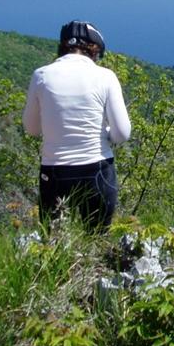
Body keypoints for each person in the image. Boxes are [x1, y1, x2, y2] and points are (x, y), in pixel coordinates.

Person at [23, 20, 132, 231]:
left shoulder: (41, 76)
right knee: (97, 240)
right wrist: (105, 133)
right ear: (95, 49)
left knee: (53, 241)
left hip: (54, 172)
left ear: (63, 46)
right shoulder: (105, 77)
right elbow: (122, 134)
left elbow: (32, 129)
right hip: (97, 170)